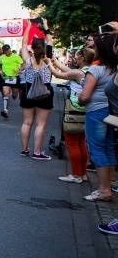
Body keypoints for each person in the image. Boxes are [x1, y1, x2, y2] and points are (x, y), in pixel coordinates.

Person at [77, 33, 117, 202]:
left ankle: (103, 190)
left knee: (97, 150)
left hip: (95, 112)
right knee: (108, 148)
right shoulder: (114, 68)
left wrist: (79, 100)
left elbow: (85, 97)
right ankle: (108, 186)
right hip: (110, 112)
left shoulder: (95, 70)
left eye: (94, 47)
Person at [48, 48, 95, 183]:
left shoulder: (78, 72)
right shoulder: (91, 71)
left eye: (77, 56)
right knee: (81, 143)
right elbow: (67, 70)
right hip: (85, 110)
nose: (75, 58)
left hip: (74, 109)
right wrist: (55, 61)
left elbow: (58, 75)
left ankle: (75, 174)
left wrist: (49, 64)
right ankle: (82, 173)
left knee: (72, 143)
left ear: (82, 59)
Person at [18, 26, 54, 159]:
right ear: (44, 47)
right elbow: (50, 42)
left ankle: (24, 149)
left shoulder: (27, 60)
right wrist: (46, 27)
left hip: (28, 92)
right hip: (45, 93)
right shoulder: (48, 59)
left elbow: (23, 43)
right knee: (41, 124)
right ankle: (37, 152)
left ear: (31, 48)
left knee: (27, 122)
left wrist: (28, 27)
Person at [0, 44, 22, 119]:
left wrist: (19, 70)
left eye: (8, 50)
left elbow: (23, 64)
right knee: (6, 93)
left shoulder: (16, 57)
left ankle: (14, 95)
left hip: (15, 77)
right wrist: (0, 71)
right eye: (5, 50)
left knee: (15, 95)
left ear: (10, 49)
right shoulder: (2, 57)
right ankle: (5, 110)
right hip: (6, 77)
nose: (7, 52)